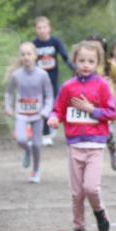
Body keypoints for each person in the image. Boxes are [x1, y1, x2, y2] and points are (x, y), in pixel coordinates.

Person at [47, 41, 116, 231]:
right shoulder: (68, 87)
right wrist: (54, 118)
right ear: (75, 61)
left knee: (91, 188)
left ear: (97, 63)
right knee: (77, 192)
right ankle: (79, 229)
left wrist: (90, 109)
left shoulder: (102, 86)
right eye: (82, 60)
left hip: (95, 145)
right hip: (75, 145)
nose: (86, 65)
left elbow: (111, 113)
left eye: (91, 61)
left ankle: (99, 211)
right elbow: (58, 109)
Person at [4, 42, 54, 183]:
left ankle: (36, 170)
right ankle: (27, 150)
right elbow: (8, 93)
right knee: (21, 139)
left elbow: (49, 95)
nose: (26, 57)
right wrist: (8, 106)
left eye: (29, 54)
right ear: (20, 57)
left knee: (38, 144)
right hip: (21, 113)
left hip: (38, 114)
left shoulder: (43, 75)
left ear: (35, 56)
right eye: (23, 54)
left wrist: (46, 111)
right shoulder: (16, 75)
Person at [32, 16, 76, 146]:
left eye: (44, 27)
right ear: (35, 30)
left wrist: (75, 69)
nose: (42, 30)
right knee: (42, 105)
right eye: (39, 28)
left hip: (53, 79)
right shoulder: (34, 44)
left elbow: (65, 56)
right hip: (38, 81)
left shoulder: (55, 42)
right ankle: (45, 135)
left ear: (49, 28)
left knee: (54, 105)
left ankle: (53, 126)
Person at [88, 37, 116, 172]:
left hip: (106, 105)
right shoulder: (85, 66)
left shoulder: (109, 66)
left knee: (107, 132)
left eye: (98, 48)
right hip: (89, 105)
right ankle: (90, 161)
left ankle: (113, 150)